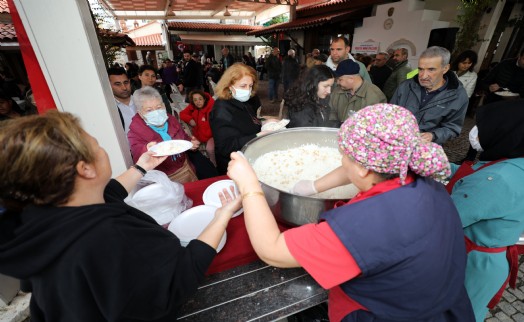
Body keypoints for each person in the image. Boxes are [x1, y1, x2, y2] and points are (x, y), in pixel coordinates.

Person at [225, 103, 475, 322]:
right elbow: (360, 166)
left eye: (344, 155)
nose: (342, 160)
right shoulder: (419, 178)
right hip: (441, 305)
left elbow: (272, 250)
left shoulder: (365, 225)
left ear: (365, 167)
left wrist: (249, 185)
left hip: (385, 314)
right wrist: (313, 186)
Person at [0, 110, 236, 321]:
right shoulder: (109, 236)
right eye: (97, 146)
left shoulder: (44, 215)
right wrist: (221, 216)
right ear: (85, 169)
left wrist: (142, 166)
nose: (103, 150)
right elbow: (179, 278)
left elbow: (109, 192)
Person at [446, 99, 524, 322]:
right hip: (489, 260)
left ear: (505, 130)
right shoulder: (514, 162)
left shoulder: (497, 179)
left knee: (454, 314)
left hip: (473, 263)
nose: (474, 131)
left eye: (483, 126)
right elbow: (473, 175)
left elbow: (445, 218)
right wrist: (442, 166)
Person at [128, 86, 217, 182]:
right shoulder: (136, 132)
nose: (156, 112)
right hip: (163, 178)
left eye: (159, 107)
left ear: (164, 105)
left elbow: (184, 138)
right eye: (149, 110)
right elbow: (138, 155)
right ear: (140, 113)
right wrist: (147, 149)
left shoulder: (171, 119)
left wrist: (191, 143)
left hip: (185, 168)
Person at [390, 46, 469, 145]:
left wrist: (433, 135)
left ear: (445, 68)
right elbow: (390, 113)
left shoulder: (458, 96)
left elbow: (453, 128)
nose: (423, 76)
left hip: (426, 148)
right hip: (397, 144)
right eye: (420, 69)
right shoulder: (406, 86)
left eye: (431, 70)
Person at [209, 63, 264, 175]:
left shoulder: (242, 101)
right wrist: (257, 136)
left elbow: (249, 120)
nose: (248, 90)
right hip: (234, 166)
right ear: (229, 86)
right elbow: (225, 147)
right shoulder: (221, 110)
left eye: (250, 86)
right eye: (243, 86)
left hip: (248, 156)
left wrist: (264, 122)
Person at [330, 59, 386, 125]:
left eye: (340, 79)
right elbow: (331, 111)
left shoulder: (375, 95)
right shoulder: (337, 91)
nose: (337, 82)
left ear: (351, 79)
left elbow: (376, 123)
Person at [180, 90, 216, 166]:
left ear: (204, 99)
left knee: (210, 149)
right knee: (188, 146)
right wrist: (190, 119)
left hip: (211, 135)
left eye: (200, 99)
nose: (198, 102)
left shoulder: (211, 108)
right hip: (199, 135)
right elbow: (182, 114)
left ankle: (214, 165)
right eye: (195, 100)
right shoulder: (193, 107)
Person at [107, 67, 137, 134]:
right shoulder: (108, 109)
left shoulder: (142, 101)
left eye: (126, 82)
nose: (124, 88)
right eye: (117, 84)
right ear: (108, 86)